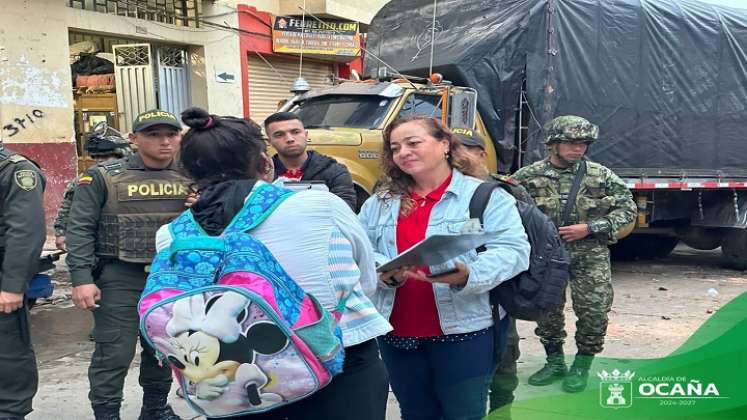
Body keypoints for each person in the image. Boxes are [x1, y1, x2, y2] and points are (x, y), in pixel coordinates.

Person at [154, 107, 392, 420]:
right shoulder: (320, 204)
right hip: (338, 358)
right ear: (266, 162)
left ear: (187, 173)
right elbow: (365, 277)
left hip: (237, 374)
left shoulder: (171, 235)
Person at [358, 116, 530, 420]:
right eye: (395, 148)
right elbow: (358, 250)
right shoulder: (380, 202)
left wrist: (470, 274)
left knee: (463, 413)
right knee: (415, 412)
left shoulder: (485, 196)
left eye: (413, 143)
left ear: (444, 144)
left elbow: (514, 250)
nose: (403, 153)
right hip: (397, 330)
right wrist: (381, 270)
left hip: (466, 330)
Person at [66, 109, 189, 420]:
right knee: (114, 353)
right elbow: (79, 228)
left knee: (163, 349)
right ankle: (107, 414)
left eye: (171, 134)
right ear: (134, 139)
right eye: (153, 134)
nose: (164, 141)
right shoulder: (102, 176)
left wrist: (203, 206)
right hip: (119, 276)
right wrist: (81, 279)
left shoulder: (194, 177)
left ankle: (156, 409)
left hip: (172, 277)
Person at [512, 115, 637, 393]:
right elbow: (507, 211)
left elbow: (628, 210)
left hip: (589, 254)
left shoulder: (600, 175)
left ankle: (582, 365)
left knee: (594, 312)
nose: (578, 149)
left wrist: (591, 227)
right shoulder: (527, 177)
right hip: (546, 257)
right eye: (571, 143)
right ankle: (554, 362)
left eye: (583, 143)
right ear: (553, 144)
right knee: (547, 312)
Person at [453, 128, 523, 418]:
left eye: (464, 149)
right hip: (453, 298)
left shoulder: (505, 190)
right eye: (452, 148)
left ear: (481, 154)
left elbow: (524, 243)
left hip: (499, 292)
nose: (457, 155)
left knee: (504, 356)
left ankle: (501, 410)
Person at [0, 144, 46, 420]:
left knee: (7, 354)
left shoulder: (14, 170)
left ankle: (10, 412)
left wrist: (12, 285)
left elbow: (26, 231)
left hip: (3, 278)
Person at [54, 129, 132, 251]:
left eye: (106, 156)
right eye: (96, 156)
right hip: (100, 241)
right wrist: (61, 232)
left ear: (122, 155)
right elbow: (68, 204)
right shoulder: (87, 178)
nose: (100, 160)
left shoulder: (137, 175)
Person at [263, 112, 357, 210]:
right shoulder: (263, 175)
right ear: (270, 142)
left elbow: (345, 211)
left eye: (295, 132)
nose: (290, 139)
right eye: (279, 135)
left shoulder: (334, 171)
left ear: (306, 135)